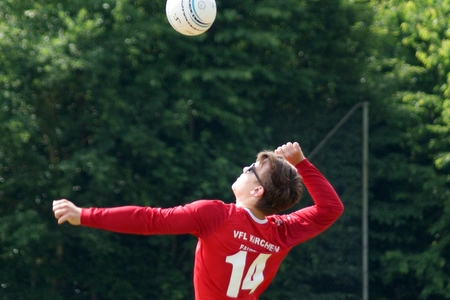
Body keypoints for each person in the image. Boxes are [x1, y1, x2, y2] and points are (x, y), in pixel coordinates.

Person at [53, 142, 343, 300]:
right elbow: (331, 208)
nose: (244, 170)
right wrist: (303, 164)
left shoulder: (216, 215)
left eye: (250, 169)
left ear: (257, 191)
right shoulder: (284, 231)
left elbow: (149, 220)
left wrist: (85, 215)